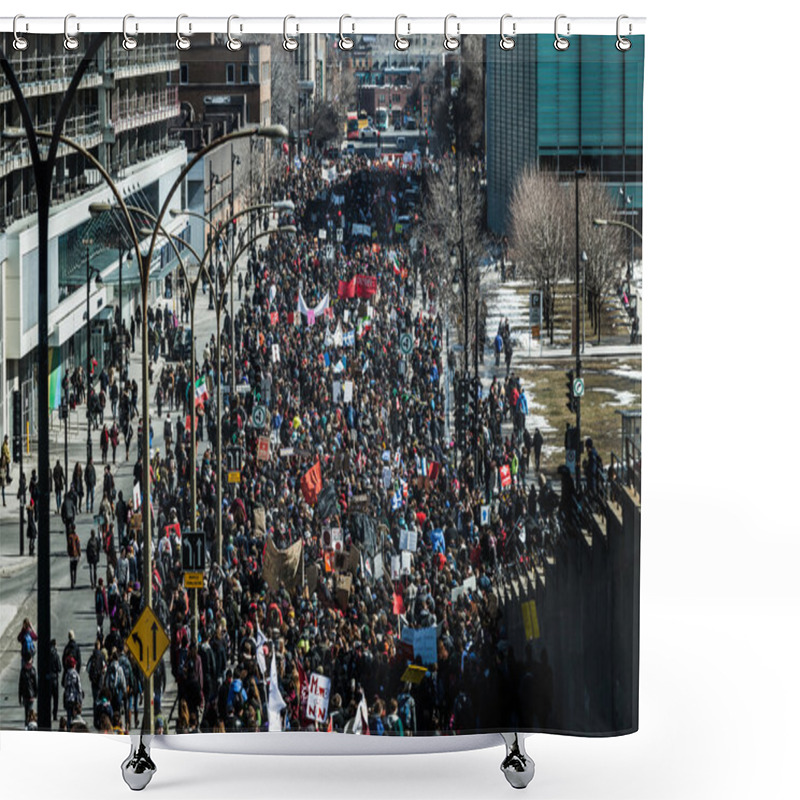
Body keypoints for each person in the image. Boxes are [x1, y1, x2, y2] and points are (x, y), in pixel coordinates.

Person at [18, 654, 38, 725]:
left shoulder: (23, 670)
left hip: (25, 695)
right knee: (29, 711)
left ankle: (27, 724)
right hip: (31, 695)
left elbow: (20, 685)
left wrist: (20, 697)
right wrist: (35, 693)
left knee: (27, 711)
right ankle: (29, 724)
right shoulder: (32, 670)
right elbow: (35, 683)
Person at [49, 639, 61, 721]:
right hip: (55, 678)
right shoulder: (56, 655)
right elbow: (59, 668)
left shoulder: (47, 654)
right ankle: (55, 714)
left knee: (48, 698)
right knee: (55, 698)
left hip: (48, 678)